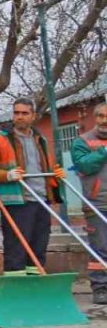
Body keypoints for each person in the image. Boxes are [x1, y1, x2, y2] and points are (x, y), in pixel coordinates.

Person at [0, 97, 66, 273]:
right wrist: (7, 175)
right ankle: (16, 287)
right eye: (16, 113)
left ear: (33, 116)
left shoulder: (40, 138)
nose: (20, 116)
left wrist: (56, 174)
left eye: (24, 113)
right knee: (16, 248)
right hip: (16, 201)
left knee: (38, 247)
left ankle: (34, 285)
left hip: (41, 199)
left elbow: (44, 166)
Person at [71, 102, 107, 304]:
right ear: (95, 118)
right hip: (97, 203)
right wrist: (103, 152)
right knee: (100, 248)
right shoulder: (82, 141)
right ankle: (100, 287)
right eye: (101, 116)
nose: (104, 121)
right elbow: (84, 165)